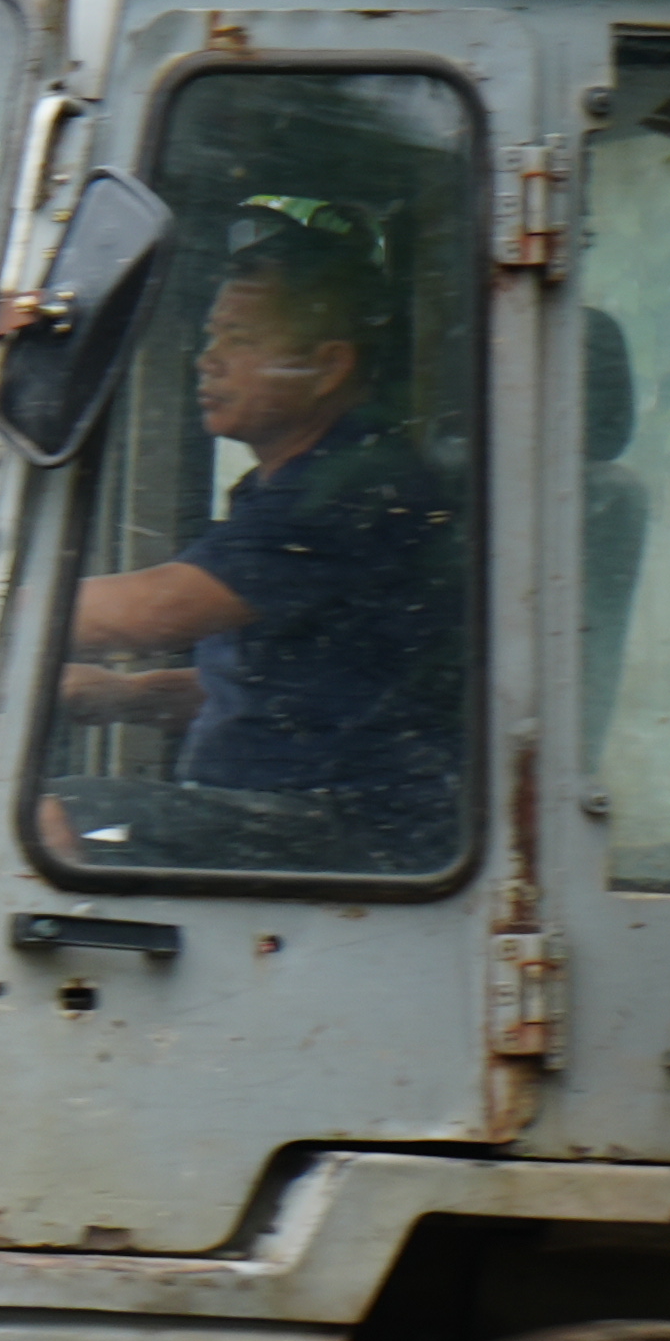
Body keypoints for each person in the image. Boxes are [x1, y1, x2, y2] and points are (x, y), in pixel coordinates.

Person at [42, 236, 466, 875]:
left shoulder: (351, 488)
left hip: (358, 831)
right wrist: (126, 696)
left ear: (328, 366)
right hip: (289, 814)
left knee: (43, 822)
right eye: (211, 337)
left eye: (239, 340)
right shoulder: (287, 485)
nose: (207, 361)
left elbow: (156, 612)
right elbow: (288, 697)